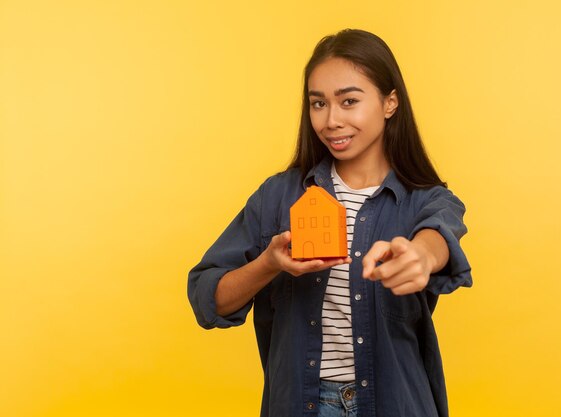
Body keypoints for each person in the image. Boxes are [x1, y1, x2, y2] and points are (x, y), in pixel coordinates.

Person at [188, 28, 472, 417]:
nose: (332, 120)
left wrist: (420, 256)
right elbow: (209, 300)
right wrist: (269, 264)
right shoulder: (278, 197)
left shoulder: (427, 199)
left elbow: (438, 235)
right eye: (318, 104)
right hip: (302, 404)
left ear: (390, 103)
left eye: (349, 101)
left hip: (395, 404)